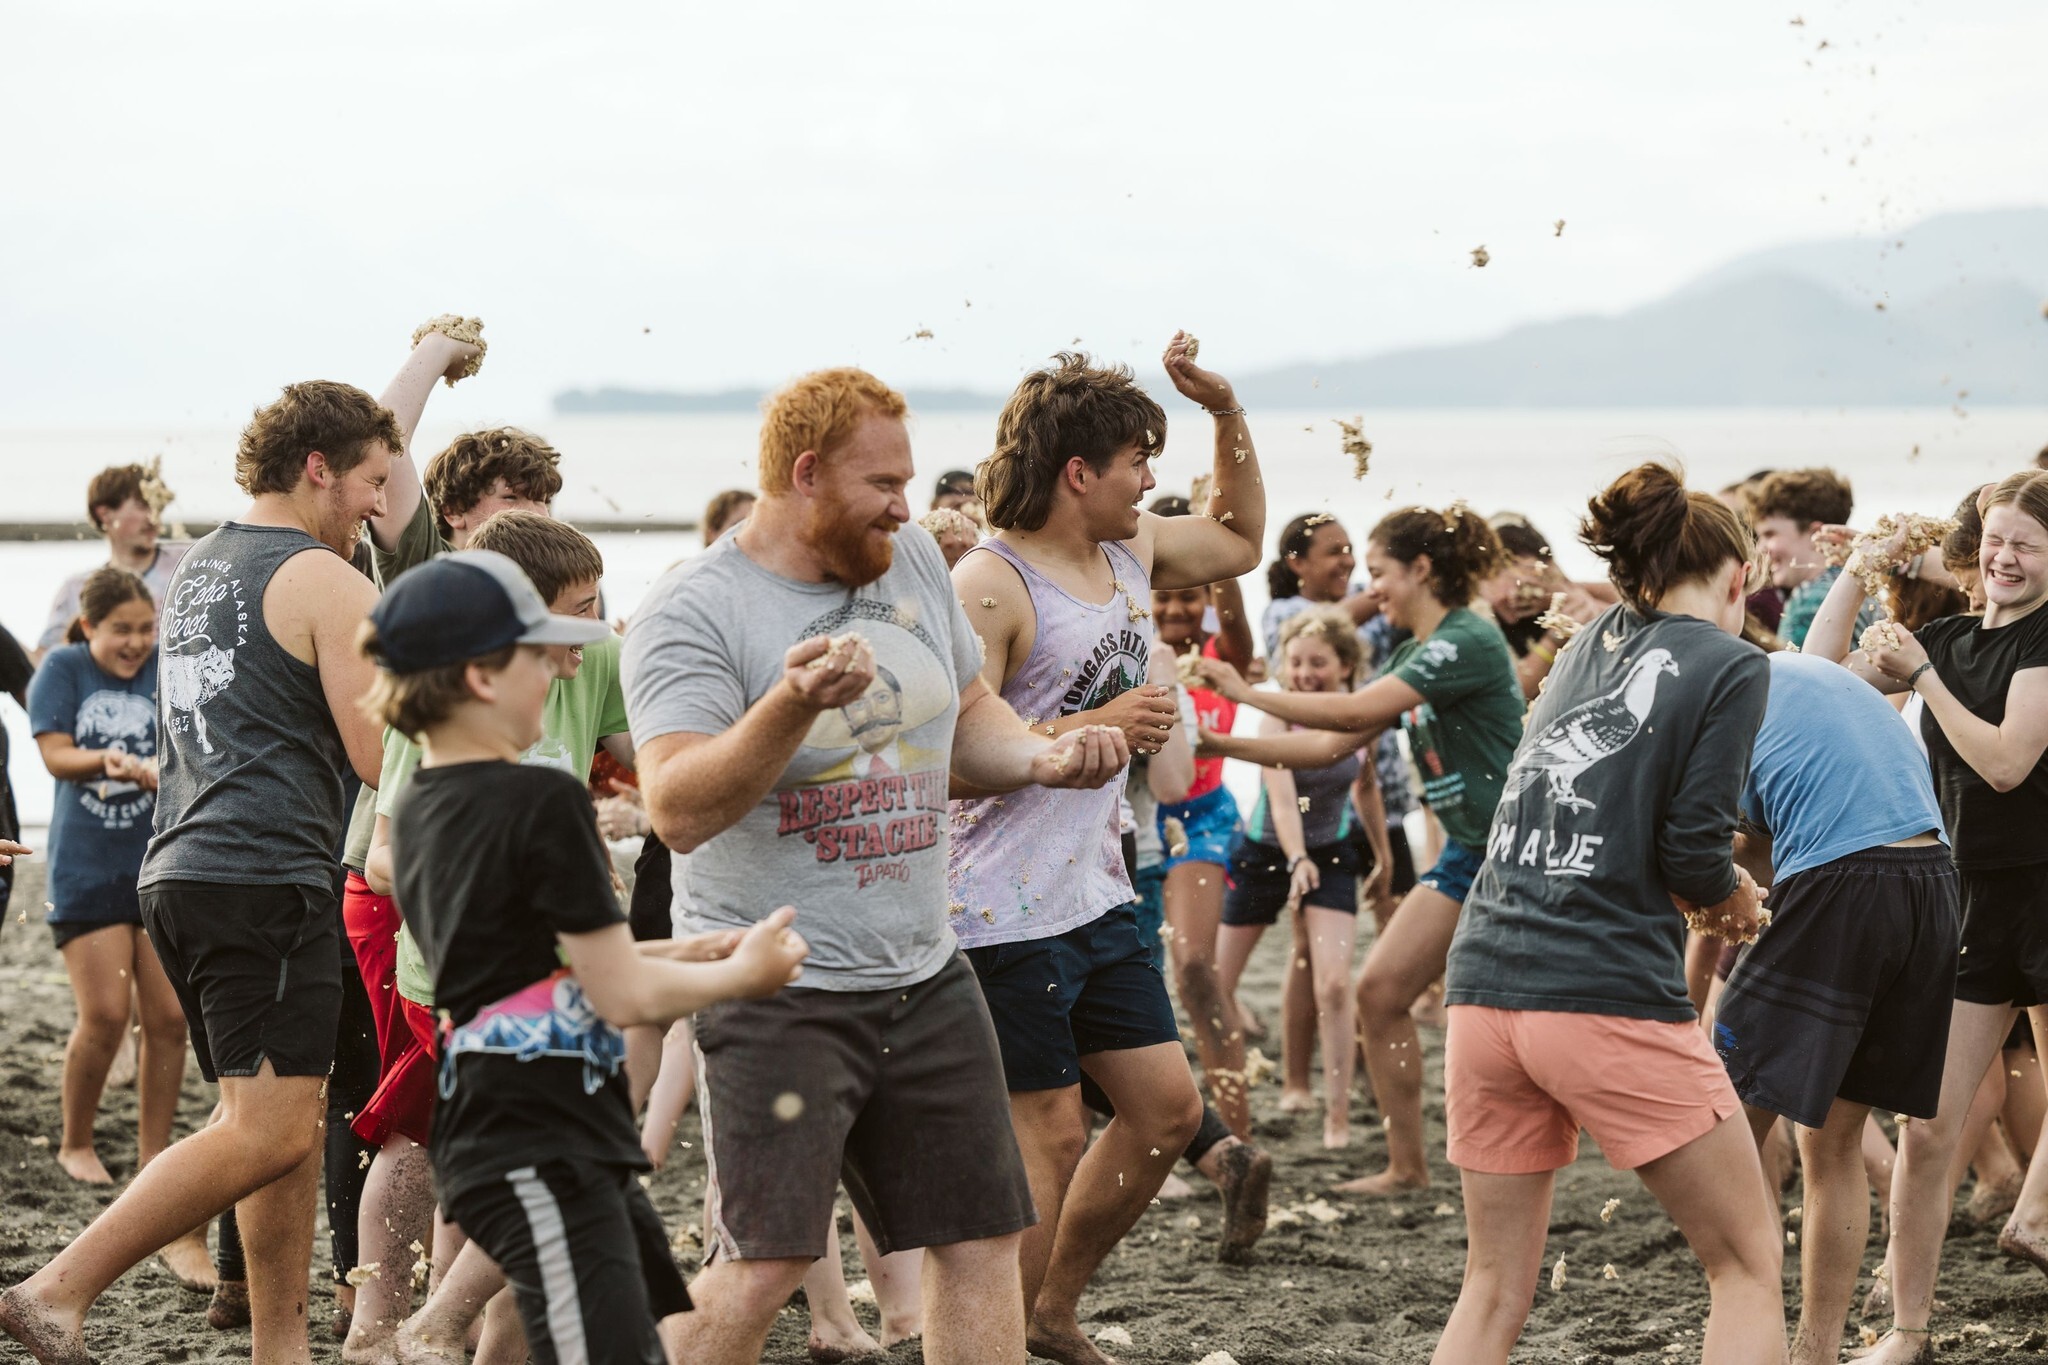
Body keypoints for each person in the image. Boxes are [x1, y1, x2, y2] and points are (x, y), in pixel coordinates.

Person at [625, 365, 1130, 1365]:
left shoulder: (906, 566)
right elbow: (676, 806)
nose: (908, 507)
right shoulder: (694, 608)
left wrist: (1041, 756)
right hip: (777, 980)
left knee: (981, 1238)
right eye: (882, 486)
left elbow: (967, 717)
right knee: (763, 1264)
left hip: (922, 967)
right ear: (806, 475)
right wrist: (789, 706)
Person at [1, 379, 394, 1365]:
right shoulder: (322, 579)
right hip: (266, 876)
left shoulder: (205, 565)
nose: (381, 506)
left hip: (182, 867)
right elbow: (377, 756)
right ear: (320, 468)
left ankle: (279, 1346)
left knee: (269, 1119)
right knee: (266, 1130)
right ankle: (58, 1290)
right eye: (374, 481)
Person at [360, 548, 809, 1365]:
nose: (563, 673)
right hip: (549, 1128)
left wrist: (691, 945)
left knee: (592, 1333)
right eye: (542, 655)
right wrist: (746, 976)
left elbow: (528, 965)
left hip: (491, 1117)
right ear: (483, 675)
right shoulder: (545, 799)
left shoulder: (422, 801)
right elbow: (619, 991)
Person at [1424, 462, 1784, 1365]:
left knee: (1492, 1286)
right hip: (1602, 992)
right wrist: (1735, 900)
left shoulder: (1585, 644)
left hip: (1481, 985)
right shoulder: (1735, 662)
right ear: (1738, 579)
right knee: (1746, 1262)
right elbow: (1693, 853)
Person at [1197, 503, 1524, 1197]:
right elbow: (1327, 746)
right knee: (1380, 992)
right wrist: (1223, 744)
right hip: (1469, 851)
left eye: (1379, 573)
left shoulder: (1462, 639)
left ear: (1423, 570)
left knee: (1534, 1012)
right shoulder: (1412, 652)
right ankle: (1407, 1167)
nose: (1373, 589)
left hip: (1519, 850)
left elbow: (1346, 713)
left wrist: (1245, 690)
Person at [1849, 470, 2048, 1365]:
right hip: (1967, 896)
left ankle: (2038, 1208)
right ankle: (1909, 1328)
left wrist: (1925, 678)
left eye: (2029, 545)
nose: (2007, 558)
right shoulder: (1950, 634)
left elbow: (2006, 762)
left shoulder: (2041, 638)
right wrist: (1859, 570)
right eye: (1996, 540)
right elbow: (1829, 677)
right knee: (1926, 1127)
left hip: (2046, 889)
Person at [1712, 650, 1955, 1365]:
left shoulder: (1700, 695)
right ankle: (1814, 1352)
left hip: (1846, 879)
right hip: (1933, 882)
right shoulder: (1793, 674)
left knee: (1717, 1123)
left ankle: (1747, 1332)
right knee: (1833, 1138)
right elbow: (1759, 849)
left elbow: (1707, 861)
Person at [26, 569, 201, 1244]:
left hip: (160, 866)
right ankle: (76, 1140)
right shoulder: (63, 669)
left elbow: (193, 741)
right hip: (85, 869)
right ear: (90, 626)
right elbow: (55, 756)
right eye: (120, 630)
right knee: (102, 1015)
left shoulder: (167, 668)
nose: (135, 643)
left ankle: (152, 1154)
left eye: (145, 628)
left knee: (167, 1019)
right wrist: (115, 761)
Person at [1211, 607, 1367, 1149]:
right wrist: (1297, 858)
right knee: (1215, 984)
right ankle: (1227, 1106)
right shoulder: (1277, 717)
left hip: (1332, 855)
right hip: (1266, 854)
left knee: (1334, 982)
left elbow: (1364, 783)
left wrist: (1385, 860)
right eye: (1295, 662)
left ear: (1345, 665)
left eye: (1317, 663)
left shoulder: (1361, 713)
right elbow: (1281, 799)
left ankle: (1338, 1117)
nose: (1303, 673)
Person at [34, 463, 191, 664]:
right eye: (143, 506)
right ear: (105, 514)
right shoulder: (77, 589)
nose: (153, 518)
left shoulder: (187, 563)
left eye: (157, 507)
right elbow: (44, 663)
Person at [1749, 467, 1880, 649]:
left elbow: (1794, 674)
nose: (1759, 548)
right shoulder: (1865, 587)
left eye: (1770, 534)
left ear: (1817, 534)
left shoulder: (1812, 602)